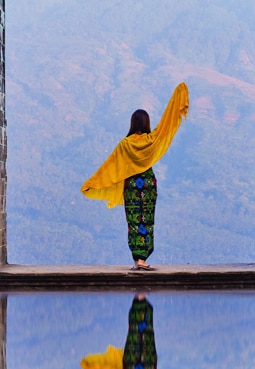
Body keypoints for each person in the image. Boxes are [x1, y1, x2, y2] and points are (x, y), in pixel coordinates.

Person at [80, 83, 189, 270]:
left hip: (131, 186)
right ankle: (143, 260)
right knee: (147, 219)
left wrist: (93, 182)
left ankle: (136, 260)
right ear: (146, 123)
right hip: (147, 184)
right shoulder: (152, 140)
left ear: (132, 123)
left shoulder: (125, 144)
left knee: (133, 221)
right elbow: (166, 125)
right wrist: (178, 99)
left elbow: (110, 167)